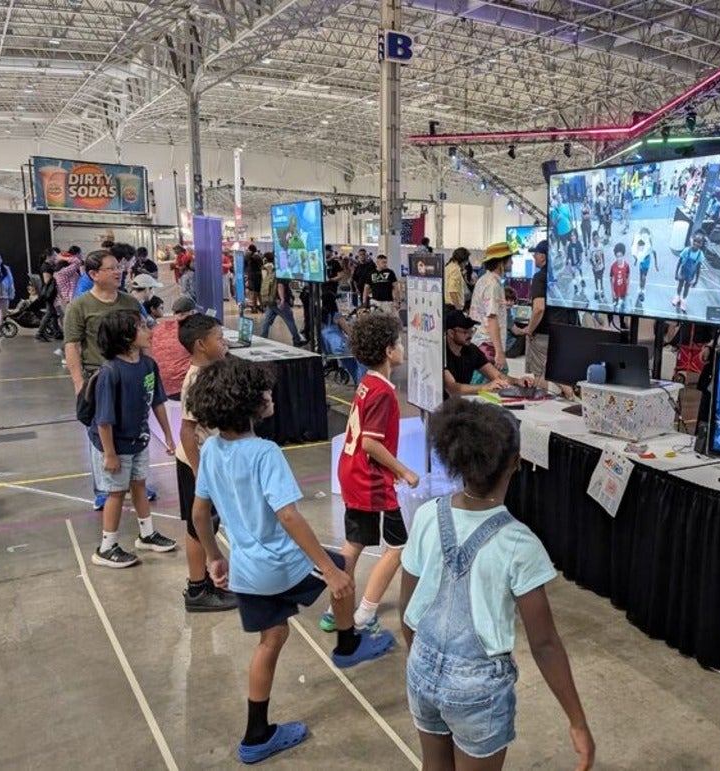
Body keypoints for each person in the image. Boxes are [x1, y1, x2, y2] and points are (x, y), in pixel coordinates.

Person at [186, 357, 394, 764]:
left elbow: (198, 514)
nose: (270, 395)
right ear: (248, 403)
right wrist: (330, 570)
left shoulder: (210, 449)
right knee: (343, 572)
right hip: (284, 564)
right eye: (264, 391)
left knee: (273, 638)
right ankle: (348, 643)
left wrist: (214, 557)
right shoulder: (265, 453)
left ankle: (257, 734)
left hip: (246, 570)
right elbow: (288, 515)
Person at [399, 398, 594, 770]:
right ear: (515, 464)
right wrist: (577, 721)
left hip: (421, 667)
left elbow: (408, 607)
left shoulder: (427, 515)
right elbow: (545, 643)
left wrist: (422, 665)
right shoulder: (519, 543)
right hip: (478, 690)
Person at [323, 313, 418, 635]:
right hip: (370, 479)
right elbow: (370, 444)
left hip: (352, 474)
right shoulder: (383, 392)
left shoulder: (367, 383)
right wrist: (403, 470)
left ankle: (337, 607)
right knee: (399, 548)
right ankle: (364, 613)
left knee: (355, 541)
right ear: (389, 351)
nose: (403, 347)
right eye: (399, 342)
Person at [88, 309, 177, 567]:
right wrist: (109, 454)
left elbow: (158, 401)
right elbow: (104, 420)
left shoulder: (148, 365)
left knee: (139, 484)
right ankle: (106, 547)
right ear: (126, 337)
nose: (149, 331)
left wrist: (168, 436)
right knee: (116, 493)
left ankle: (147, 534)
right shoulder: (110, 373)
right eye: (142, 327)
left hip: (138, 440)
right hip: (115, 444)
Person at [64, 250, 148, 511]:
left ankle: (136, 481)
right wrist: (79, 382)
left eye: (118, 267)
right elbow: (72, 345)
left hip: (131, 379)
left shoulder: (130, 303)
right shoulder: (79, 306)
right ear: (93, 274)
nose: (117, 272)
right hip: (99, 379)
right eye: (111, 268)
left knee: (135, 431)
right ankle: (104, 489)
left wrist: (148, 370)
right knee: (102, 436)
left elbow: (144, 337)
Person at [174, 313, 238, 612]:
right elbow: (187, 431)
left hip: (211, 463)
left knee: (209, 523)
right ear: (201, 345)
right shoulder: (195, 381)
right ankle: (198, 588)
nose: (223, 341)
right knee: (197, 526)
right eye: (218, 338)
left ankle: (211, 581)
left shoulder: (212, 371)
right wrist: (201, 474)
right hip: (196, 465)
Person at [513, 241, 578, 392]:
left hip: (544, 334)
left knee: (541, 377)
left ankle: (566, 393)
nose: (534, 258)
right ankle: (570, 392)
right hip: (566, 333)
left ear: (543, 257)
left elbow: (538, 308)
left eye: (535, 254)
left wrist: (529, 329)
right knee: (559, 372)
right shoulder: (565, 274)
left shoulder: (540, 277)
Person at [444, 309, 533, 398]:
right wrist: (486, 387)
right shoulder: (441, 355)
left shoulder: (471, 350)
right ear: (451, 333)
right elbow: (452, 388)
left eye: (472, 330)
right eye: (465, 332)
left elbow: (496, 375)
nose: (470, 335)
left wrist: (517, 381)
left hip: (456, 402)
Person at [469, 242, 513, 373]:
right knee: (498, 382)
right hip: (489, 344)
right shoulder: (493, 285)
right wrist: (499, 352)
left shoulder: (484, 280)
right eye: (510, 260)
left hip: (480, 340)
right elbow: (492, 319)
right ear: (501, 263)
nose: (512, 263)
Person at [150, 295, 198, 399]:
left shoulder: (158, 328)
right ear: (192, 313)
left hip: (159, 387)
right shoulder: (193, 331)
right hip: (183, 388)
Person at [259, 268, 305, 347]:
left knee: (267, 321)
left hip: (271, 300)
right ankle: (297, 339)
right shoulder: (282, 273)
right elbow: (280, 286)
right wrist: (282, 299)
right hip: (279, 301)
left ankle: (263, 337)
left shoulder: (272, 271)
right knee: (290, 320)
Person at [672, 233, 706, 313]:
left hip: (690, 274)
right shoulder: (686, 250)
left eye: (698, 242)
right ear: (692, 241)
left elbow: (698, 268)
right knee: (680, 284)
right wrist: (676, 273)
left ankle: (683, 300)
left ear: (701, 244)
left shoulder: (700, 254)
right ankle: (677, 297)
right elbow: (679, 261)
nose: (696, 243)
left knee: (687, 287)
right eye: (695, 241)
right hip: (683, 272)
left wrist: (696, 280)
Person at [34, 264, 62, 342]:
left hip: (49, 295)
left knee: (53, 313)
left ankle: (57, 332)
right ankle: (39, 333)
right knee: (50, 313)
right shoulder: (46, 268)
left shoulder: (49, 269)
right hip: (49, 296)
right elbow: (47, 282)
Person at [633, 229, 658, 305]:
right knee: (641, 276)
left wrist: (656, 264)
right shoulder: (640, 245)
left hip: (646, 263)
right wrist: (636, 261)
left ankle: (642, 291)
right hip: (641, 262)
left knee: (644, 276)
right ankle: (640, 287)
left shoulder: (649, 247)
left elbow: (654, 253)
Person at [609, 243, 630, 313]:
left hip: (623, 292)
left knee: (623, 309)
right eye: (617, 256)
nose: (619, 258)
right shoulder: (613, 266)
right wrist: (612, 292)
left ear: (623, 255)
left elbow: (628, 277)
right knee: (615, 309)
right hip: (616, 292)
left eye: (620, 256)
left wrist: (627, 289)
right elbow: (611, 279)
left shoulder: (626, 266)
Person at [246, 245, 264, 313]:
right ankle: (262, 307)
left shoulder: (251, 257)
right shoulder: (259, 256)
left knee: (254, 292)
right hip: (259, 275)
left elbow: (249, 265)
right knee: (259, 292)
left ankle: (254, 308)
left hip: (253, 276)